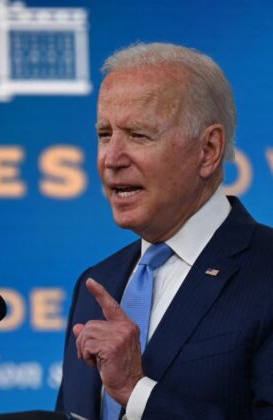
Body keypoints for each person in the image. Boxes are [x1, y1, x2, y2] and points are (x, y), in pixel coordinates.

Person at [55, 42, 273, 419]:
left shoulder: (266, 271)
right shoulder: (96, 283)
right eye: (105, 134)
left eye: (139, 135)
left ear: (208, 149)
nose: (112, 158)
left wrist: (136, 392)